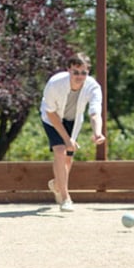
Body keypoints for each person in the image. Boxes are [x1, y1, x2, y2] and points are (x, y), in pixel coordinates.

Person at [40, 53, 105, 212]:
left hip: (73, 120)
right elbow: (50, 112)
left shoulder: (93, 87)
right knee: (61, 150)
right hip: (52, 118)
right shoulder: (55, 83)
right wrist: (67, 139)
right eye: (76, 72)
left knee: (67, 159)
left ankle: (56, 184)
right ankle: (65, 197)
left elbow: (95, 112)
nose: (79, 76)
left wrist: (97, 132)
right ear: (68, 70)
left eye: (84, 72)